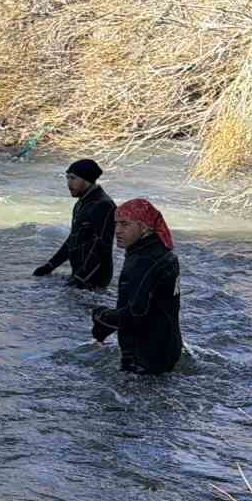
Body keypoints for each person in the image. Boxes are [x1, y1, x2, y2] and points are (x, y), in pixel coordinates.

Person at [92, 199, 183, 375]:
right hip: (168, 347)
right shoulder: (163, 251)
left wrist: (100, 316)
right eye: (116, 224)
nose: (117, 230)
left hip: (145, 356)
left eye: (125, 224)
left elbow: (135, 314)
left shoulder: (143, 260)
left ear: (144, 227)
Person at [33, 158, 117, 289]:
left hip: (94, 279)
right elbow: (73, 239)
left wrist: (80, 279)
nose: (69, 183)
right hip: (79, 275)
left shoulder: (103, 205)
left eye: (73, 178)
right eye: (67, 178)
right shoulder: (81, 203)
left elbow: (102, 247)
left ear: (87, 179)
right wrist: (50, 265)